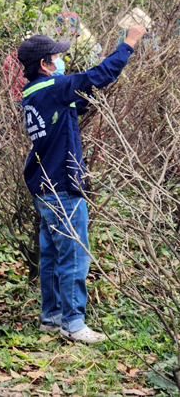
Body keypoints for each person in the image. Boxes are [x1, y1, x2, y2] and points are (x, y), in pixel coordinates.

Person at [17, 25, 146, 344]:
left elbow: (78, 104)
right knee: (74, 254)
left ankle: (52, 317)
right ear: (46, 65)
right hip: (63, 187)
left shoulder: (34, 96)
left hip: (45, 189)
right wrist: (127, 45)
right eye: (58, 57)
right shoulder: (54, 87)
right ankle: (73, 323)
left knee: (50, 255)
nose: (62, 62)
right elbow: (97, 76)